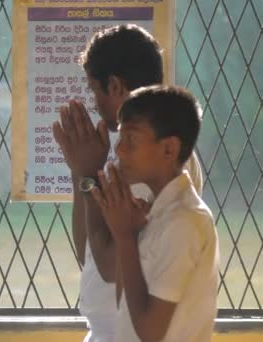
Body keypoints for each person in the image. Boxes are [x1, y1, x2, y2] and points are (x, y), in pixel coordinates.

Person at [52, 24, 204, 342]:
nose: (93, 102)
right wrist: (81, 172)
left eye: (94, 90)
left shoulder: (151, 163)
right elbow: (89, 254)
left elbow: (111, 266)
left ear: (116, 85)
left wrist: (90, 173)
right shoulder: (137, 153)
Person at [91, 85, 219, 342]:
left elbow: (150, 333)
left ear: (169, 149)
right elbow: (125, 306)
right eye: (120, 139)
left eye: (131, 140)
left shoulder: (185, 221)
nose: (119, 151)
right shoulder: (153, 210)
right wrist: (128, 233)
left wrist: (125, 236)